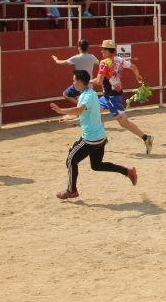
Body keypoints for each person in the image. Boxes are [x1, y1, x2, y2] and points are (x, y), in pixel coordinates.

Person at [49, 69, 137, 200]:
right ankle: (128, 171)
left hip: (90, 139)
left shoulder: (87, 96)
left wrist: (61, 110)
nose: (73, 83)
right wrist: (70, 121)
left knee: (71, 160)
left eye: (74, 81)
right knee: (96, 165)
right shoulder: (92, 94)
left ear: (80, 82)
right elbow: (88, 115)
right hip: (100, 137)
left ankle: (71, 190)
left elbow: (79, 110)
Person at [93, 39, 154, 154]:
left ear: (107, 50)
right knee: (94, 110)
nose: (101, 51)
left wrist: (87, 81)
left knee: (124, 123)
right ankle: (101, 139)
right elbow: (134, 67)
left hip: (112, 98)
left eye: (103, 49)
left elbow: (99, 81)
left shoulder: (104, 63)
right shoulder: (119, 60)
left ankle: (146, 138)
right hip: (111, 96)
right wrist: (137, 77)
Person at [52, 39, 100, 103]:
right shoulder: (92, 57)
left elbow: (62, 62)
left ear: (79, 47)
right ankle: (81, 105)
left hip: (79, 84)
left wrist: (56, 60)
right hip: (89, 84)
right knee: (84, 98)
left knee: (65, 94)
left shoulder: (76, 58)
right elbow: (99, 63)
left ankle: (79, 104)